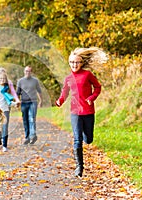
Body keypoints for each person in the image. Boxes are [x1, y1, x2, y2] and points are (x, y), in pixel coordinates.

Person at [55, 47, 107, 177]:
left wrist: (91, 98)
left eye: (77, 62)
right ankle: (79, 167)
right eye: (72, 62)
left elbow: (97, 87)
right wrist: (60, 101)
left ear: (82, 63)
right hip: (75, 112)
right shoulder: (68, 78)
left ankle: (86, 135)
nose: (74, 65)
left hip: (88, 111)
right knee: (77, 140)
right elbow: (64, 93)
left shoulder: (87, 75)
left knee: (88, 139)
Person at [0, 68, 20, 152]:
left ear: (6, 79)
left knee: (5, 127)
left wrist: (15, 103)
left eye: (3, 79)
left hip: (5, 110)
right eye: (0, 79)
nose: (2, 80)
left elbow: (9, 101)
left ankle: (4, 145)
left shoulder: (7, 89)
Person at [16, 65, 42, 145]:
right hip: (24, 103)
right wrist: (17, 102)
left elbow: (39, 91)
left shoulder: (35, 81)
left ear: (31, 72)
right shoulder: (20, 81)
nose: (28, 72)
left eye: (29, 71)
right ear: (24, 72)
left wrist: (41, 101)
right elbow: (17, 93)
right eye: (26, 71)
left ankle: (33, 136)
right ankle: (27, 137)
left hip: (33, 102)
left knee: (32, 119)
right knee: (25, 120)